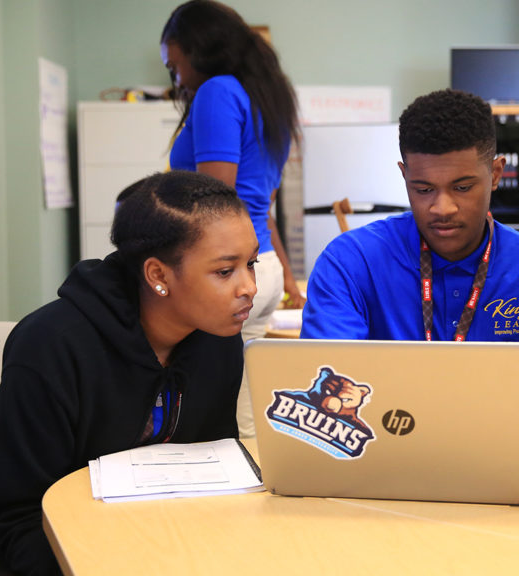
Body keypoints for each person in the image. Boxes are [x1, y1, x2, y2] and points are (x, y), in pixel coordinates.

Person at [0, 171, 257, 575]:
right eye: (225, 271)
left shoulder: (217, 337)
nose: (248, 286)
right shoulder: (52, 344)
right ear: (158, 275)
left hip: (127, 524)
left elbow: (211, 471)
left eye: (252, 263)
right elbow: (20, 512)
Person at [160, 0, 301, 436]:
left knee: (214, 418)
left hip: (227, 271)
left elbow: (215, 203)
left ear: (197, 49)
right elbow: (261, 207)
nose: (176, 79)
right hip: (261, 270)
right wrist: (289, 281)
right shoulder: (265, 96)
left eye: (175, 65)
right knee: (247, 416)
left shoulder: (218, 91)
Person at [301, 89, 519, 342]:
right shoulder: (351, 263)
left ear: (495, 174)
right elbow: (330, 372)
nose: (443, 208)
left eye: (462, 188)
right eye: (424, 190)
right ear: (404, 176)